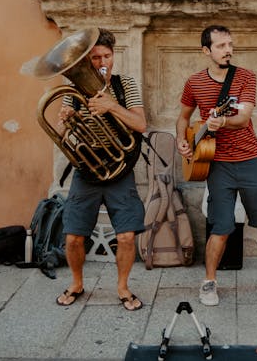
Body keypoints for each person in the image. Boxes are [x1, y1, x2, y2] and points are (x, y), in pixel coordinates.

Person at [175, 25, 257, 306]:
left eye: (229, 44)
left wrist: (223, 122)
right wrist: (182, 141)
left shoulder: (245, 77)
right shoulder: (194, 82)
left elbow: (243, 118)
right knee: (220, 225)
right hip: (216, 163)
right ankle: (209, 282)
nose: (228, 50)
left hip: (249, 159)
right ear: (206, 51)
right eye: (220, 46)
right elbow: (183, 117)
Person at [55, 28, 147, 311]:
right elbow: (60, 133)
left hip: (119, 168)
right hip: (87, 169)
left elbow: (141, 125)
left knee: (126, 235)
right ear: (86, 60)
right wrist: (66, 119)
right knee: (73, 236)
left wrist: (111, 106)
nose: (103, 62)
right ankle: (76, 283)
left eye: (107, 55)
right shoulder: (73, 90)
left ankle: (122, 287)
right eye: (95, 58)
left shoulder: (126, 85)